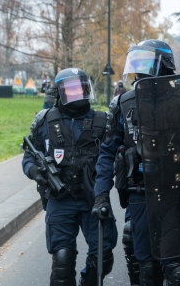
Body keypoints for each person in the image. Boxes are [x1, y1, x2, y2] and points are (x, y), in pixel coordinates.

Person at [93, 39, 180, 286]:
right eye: (136, 63)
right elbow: (106, 153)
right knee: (147, 268)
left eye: (145, 63)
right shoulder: (123, 105)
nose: (139, 70)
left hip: (176, 196)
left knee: (176, 267)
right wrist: (100, 195)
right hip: (139, 196)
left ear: (164, 65)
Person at [22, 68, 117, 286]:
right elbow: (29, 157)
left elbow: (114, 156)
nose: (77, 93)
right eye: (71, 89)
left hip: (94, 198)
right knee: (62, 259)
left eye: (81, 88)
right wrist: (36, 172)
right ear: (59, 92)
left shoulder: (103, 121)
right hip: (60, 199)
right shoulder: (45, 121)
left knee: (102, 258)